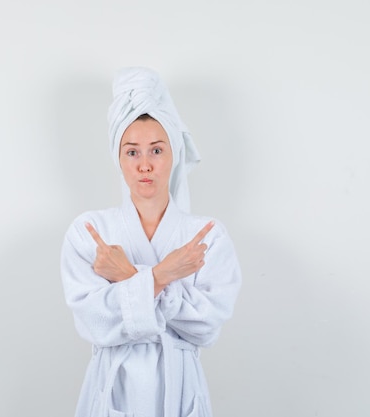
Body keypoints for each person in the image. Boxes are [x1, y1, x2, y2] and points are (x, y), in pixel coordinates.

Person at [60, 67, 241, 417]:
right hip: (113, 391)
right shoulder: (89, 231)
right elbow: (93, 322)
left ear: (173, 154)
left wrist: (128, 276)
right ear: (119, 158)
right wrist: (162, 275)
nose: (145, 165)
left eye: (156, 151)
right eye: (132, 152)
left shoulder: (207, 236)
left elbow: (206, 327)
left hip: (180, 390)